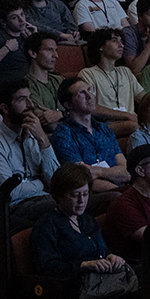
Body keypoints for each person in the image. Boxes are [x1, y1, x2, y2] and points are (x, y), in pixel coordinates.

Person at [29, 163, 137, 299]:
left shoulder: (87, 221)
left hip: (100, 282)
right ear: (59, 195)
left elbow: (103, 252)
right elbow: (48, 269)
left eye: (85, 194)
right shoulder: (47, 226)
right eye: (75, 195)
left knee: (145, 279)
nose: (82, 201)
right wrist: (83, 265)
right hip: (75, 292)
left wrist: (111, 257)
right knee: (138, 295)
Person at [0, 76, 62, 225]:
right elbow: (12, 192)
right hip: (15, 208)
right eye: (22, 100)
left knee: (87, 202)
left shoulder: (35, 134)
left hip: (46, 199)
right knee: (66, 207)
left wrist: (44, 140)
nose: (30, 105)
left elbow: (57, 182)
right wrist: (43, 184)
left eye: (30, 98)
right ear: (5, 108)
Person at [49, 76, 128, 206]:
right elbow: (82, 180)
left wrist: (98, 171)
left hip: (120, 188)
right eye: (82, 93)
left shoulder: (104, 129)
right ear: (68, 105)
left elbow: (125, 172)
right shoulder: (63, 135)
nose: (89, 96)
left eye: (89, 90)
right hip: (89, 196)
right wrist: (122, 189)